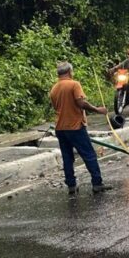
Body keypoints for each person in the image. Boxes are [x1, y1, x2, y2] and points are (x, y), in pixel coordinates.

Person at [49, 62, 111, 196]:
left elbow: (56, 107)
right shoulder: (74, 84)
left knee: (67, 157)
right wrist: (98, 110)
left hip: (60, 128)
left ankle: (71, 185)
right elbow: (81, 103)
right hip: (75, 126)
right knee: (89, 155)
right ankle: (97, 183)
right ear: (70, 72)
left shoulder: (54, 88)